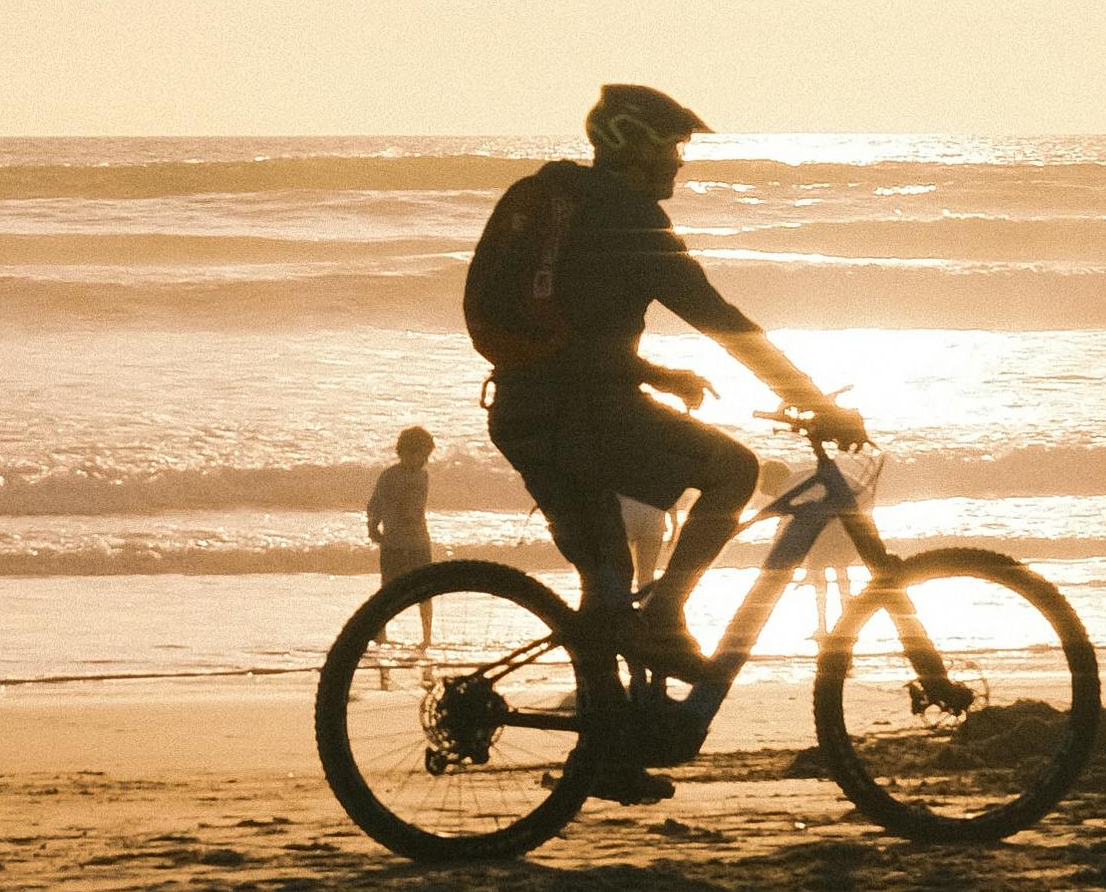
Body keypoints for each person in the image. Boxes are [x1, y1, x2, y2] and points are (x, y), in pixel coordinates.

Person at [472, 84, 862, 795]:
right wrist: (809, 400)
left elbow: (576, 329)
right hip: (582, 414)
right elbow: (720, 318)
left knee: (605, 583)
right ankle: (670, 615)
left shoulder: (568, 205)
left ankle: (604, 753)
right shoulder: (630, 222)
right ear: (631, 145)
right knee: (733, 468)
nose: (679, 161)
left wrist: (649, 371)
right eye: (670, 145)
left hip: (526, 411)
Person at [364, 422, 439, 648]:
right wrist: (373, 525)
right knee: (388, 589)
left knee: (426, 591)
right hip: (394, 543)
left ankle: (427, 637)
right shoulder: (389, 476)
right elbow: (375, 504)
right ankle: (380, 633)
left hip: (418, 542)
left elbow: (415, 509)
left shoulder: (422, 477)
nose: (424, 461)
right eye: (421, 455)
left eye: (427, 456)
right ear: (405, 452)